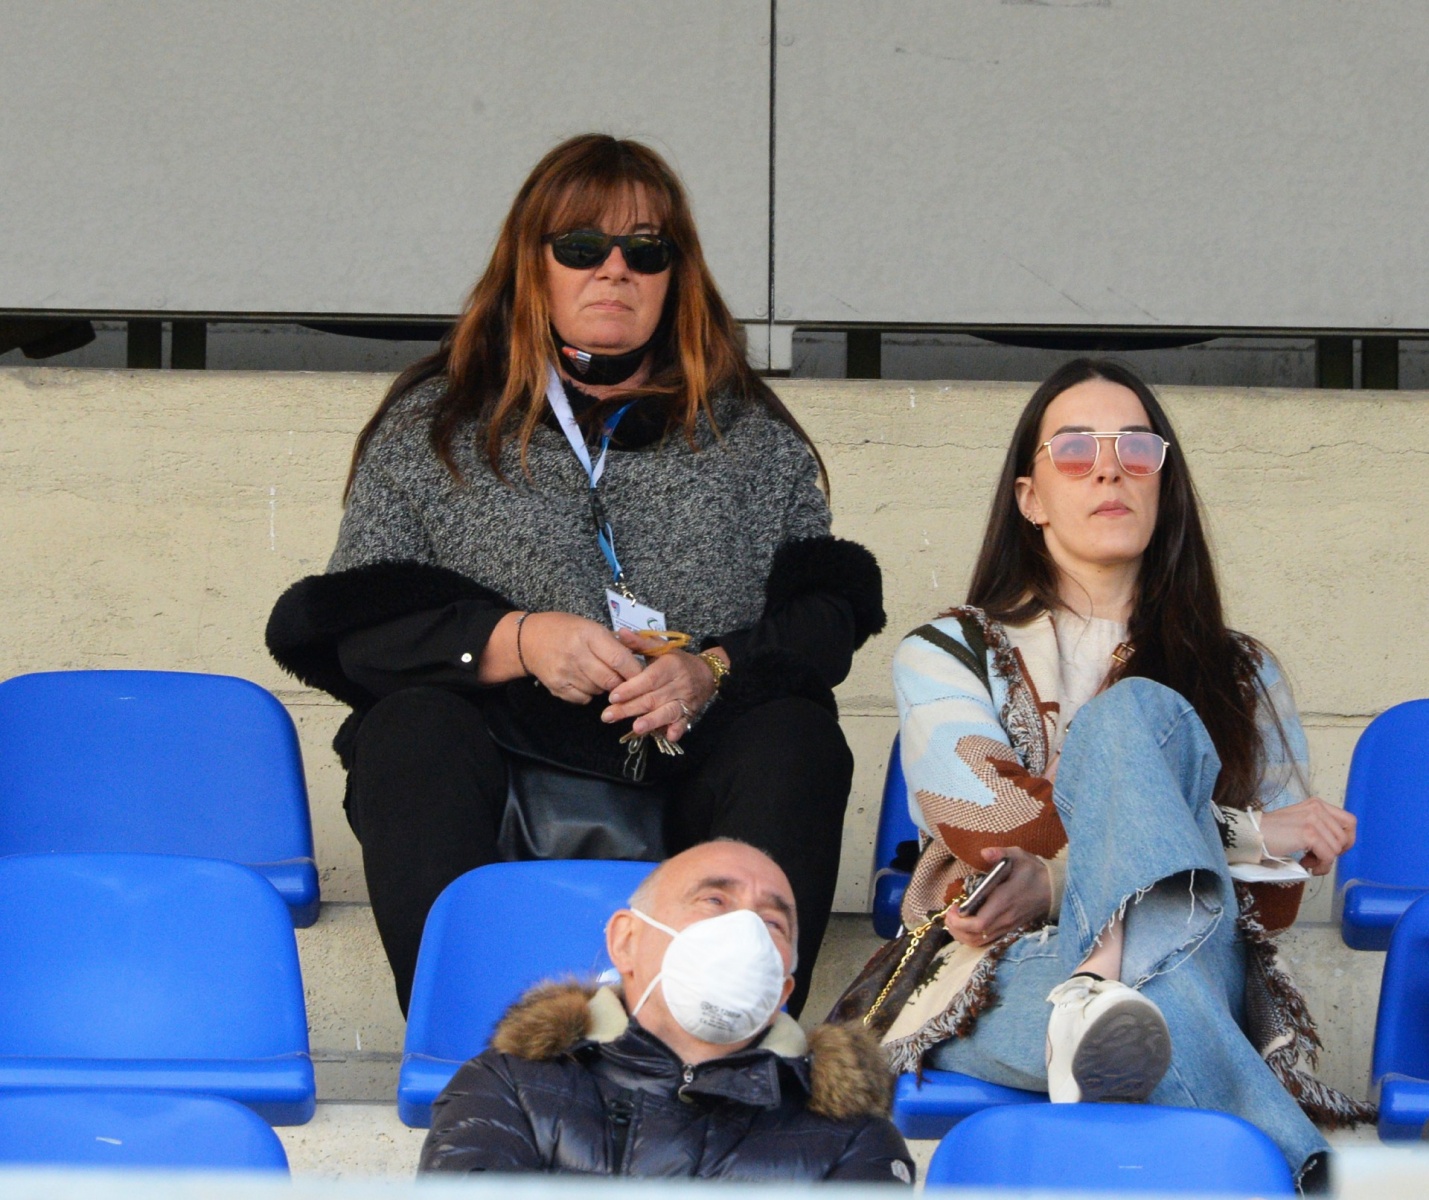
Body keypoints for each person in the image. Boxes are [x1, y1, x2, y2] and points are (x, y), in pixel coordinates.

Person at [265, 134, 883, 1016]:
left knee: (796, 735)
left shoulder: (752, 438)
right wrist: (518, 640)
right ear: (532, 266)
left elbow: (823, 620)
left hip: (692, 769)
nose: (614, 270)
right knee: (407, 730)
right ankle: (468, 1040)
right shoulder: (431, 428)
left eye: (645, 250)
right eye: (582, 246)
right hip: (497, 767)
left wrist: (708, 671)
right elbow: (356, 632)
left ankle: (736, 1040)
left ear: (676, 274)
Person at [882, 359, 1367, 1187]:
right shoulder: (946, 651)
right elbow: (995, 825)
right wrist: (1247, 832)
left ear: (1162, 486)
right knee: (1164, 996)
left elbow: (1276, 903)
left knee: (1132, 717)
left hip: (1201, 963)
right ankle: (1298, 1170)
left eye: (1136, 448)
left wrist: (1054, 879)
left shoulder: (1242, 672)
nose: (1108, 468)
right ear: (1030, 497)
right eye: (1074, 449)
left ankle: (1098, 994)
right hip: (1002, 978)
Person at [419, 840, 914, 1181]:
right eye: (714, 900)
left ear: (782, 987)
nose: (744, 931)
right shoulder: (508, 1085)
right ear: (626, 941)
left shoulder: (855, 1136)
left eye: (772, 922)